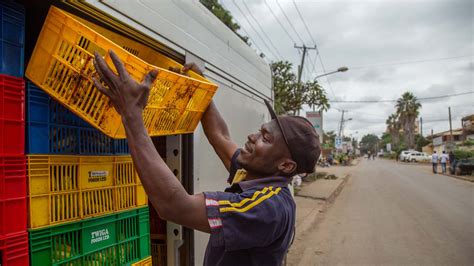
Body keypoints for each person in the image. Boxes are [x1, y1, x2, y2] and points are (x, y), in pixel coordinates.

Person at [92, 50, 321, 266]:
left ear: (286, 165)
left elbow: (174, 206)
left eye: (265, 138)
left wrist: (132, 114)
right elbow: (220, 135)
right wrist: (203, 91)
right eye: (260, 131)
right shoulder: (256, 173)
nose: (252, 137)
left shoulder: (267, 208)